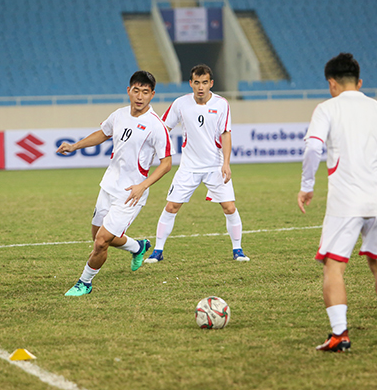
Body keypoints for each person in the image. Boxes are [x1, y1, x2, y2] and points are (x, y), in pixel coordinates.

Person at [297, 53, 377, 351]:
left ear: (332, 83)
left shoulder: (326, 109)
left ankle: (340, 334)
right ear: (360, 81)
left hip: (345, 201)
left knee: (333, 266)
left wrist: (307, 186)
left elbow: (313, 148)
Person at [57, 71, 172, 296]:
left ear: (153, 95)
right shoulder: (119, 115)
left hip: (131, 193)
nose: (140, 96)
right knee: (97, 235)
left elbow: (166, 163)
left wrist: (143, 185)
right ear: (128, 91)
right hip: (108, 186)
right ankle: (138, 247)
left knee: (101, 242)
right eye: (136, 90)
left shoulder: (156, 126)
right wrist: (74, 146)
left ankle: (85, 283)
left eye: (145, 92)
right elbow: (103, 134)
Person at [145, 64, 248, 264]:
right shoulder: (180, 104)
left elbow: (226, 134)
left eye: (205, 83)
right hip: (189, 167)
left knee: (229, 207)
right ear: (191, 83)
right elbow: (163, 127)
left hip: (215, 166)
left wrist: (226, 163)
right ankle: (158, 251)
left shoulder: (221, 104)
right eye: (197, 83)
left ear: (211, 83)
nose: (201, 87)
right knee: (172, 206)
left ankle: (238, 250)